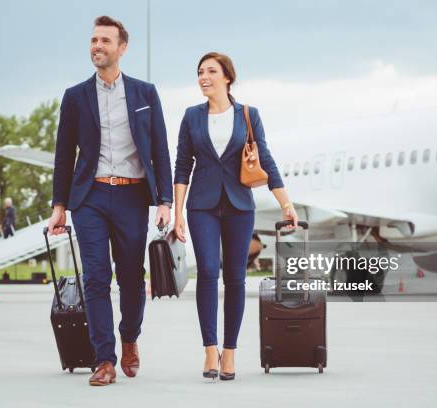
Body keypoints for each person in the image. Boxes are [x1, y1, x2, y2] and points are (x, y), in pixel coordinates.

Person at [47, 16, 172, 386]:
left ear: (122, 48)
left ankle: (129, 336)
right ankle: (104, 359)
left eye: (104, 40)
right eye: (93, 40)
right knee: (97, 277)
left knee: (132, 278)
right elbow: (63, 153)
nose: (97, 46)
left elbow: (160, 150)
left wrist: (164, 199)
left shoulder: (145, 94)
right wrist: (59, 205)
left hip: (133, 195)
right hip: (91, 196)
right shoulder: (75, 96)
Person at [173, 52, 298, 381]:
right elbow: (182, 166)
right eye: (200, 71)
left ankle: (230, 353)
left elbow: (265, 160)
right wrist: (177, 214)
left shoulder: (247, 115)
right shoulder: (191, 117)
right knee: (208, 273)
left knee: (236, 279)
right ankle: (210, 350)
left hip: (240, 205)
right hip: (201, 205)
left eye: (211, 71)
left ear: (227, 77)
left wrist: (286, 203)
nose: (204, 76)